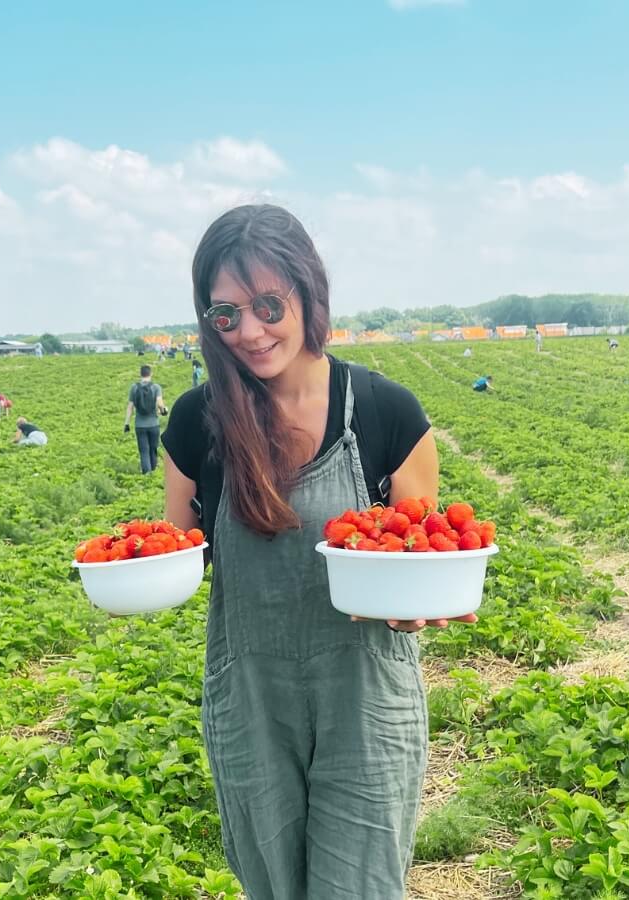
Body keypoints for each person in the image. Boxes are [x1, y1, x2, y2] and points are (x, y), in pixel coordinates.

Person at [162, 204, 471, 898]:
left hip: (363, 697)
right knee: (270, 884)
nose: (250, 331)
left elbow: (419, 554)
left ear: (308, 291)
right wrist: (135, 565)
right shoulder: (197, 421)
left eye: (268, 304)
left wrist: (418, 607)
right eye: (225, 316)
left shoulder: (389, 413)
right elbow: (185, 551)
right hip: (250, 695)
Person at [125, 365, 165, 473]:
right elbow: (160, 403)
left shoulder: (134, 387)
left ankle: (147, 474)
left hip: (140, 425)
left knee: (144, 451)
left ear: (140, 374)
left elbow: (130, 406)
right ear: (151, 374)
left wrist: (127, 423)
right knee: (153, 449)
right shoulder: (156, 387)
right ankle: (153, 471)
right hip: (154, 424)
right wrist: (164, 410)